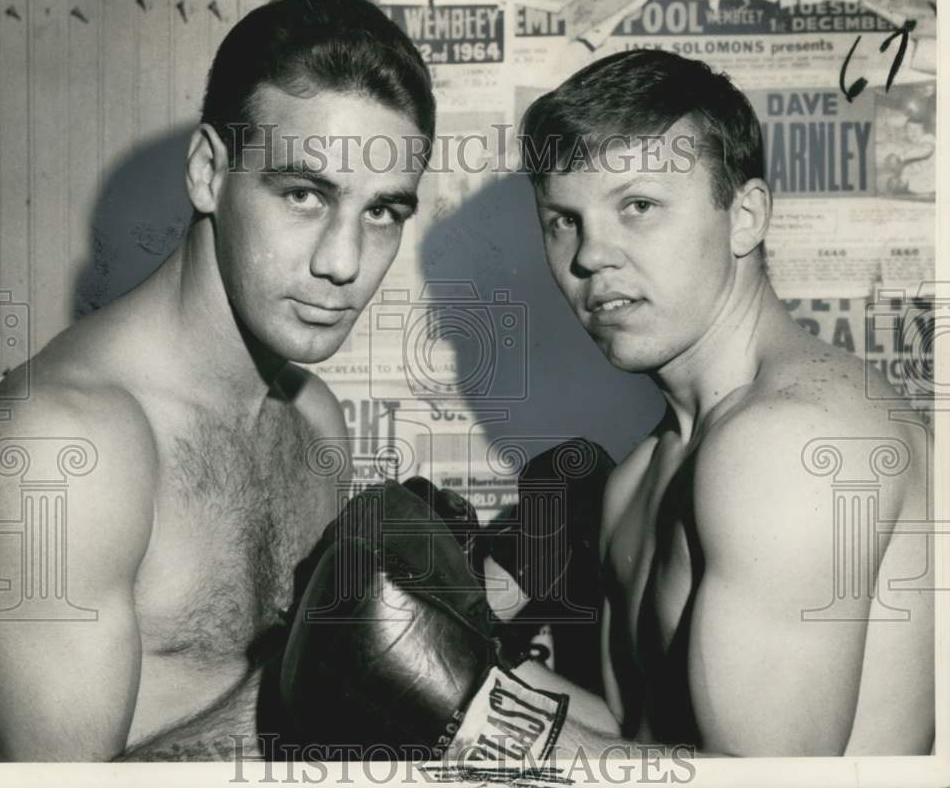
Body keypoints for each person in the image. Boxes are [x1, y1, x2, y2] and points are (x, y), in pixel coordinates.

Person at [280, 49, 933, 759]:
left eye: (639, 206)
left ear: (745, 217)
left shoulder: (789, 448)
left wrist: (480, 726)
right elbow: (645, 742)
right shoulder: (644, 472)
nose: (591, 255)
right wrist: (464, 663)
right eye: (564, 220)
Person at [0, 0, 435, 762]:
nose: (343, 262)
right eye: (303, 194)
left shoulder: (313, 417)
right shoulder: (64, 444)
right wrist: (328, 670)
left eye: (382, 212)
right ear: (206, 172)